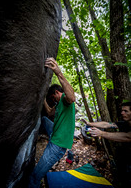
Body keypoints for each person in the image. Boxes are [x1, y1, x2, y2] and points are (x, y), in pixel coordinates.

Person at [28, 57, 75, 188]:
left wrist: (58, 73)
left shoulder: (65, 100)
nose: (52, 100)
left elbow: (72, 97)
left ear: (56, 92)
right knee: (44, 119)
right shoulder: (59, 103)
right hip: (55, 133)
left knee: (34, 177)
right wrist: (43, 97)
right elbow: (49, 112)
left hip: (57, 146)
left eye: (52, 97)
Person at [86, 102, 131, 188]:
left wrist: (101, 133)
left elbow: (127, 137)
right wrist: (90, 123)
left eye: (126, 111)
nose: (122, 113)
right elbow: (107, 124)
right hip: (125, 160)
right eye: (122, 111)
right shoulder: (125, 123)